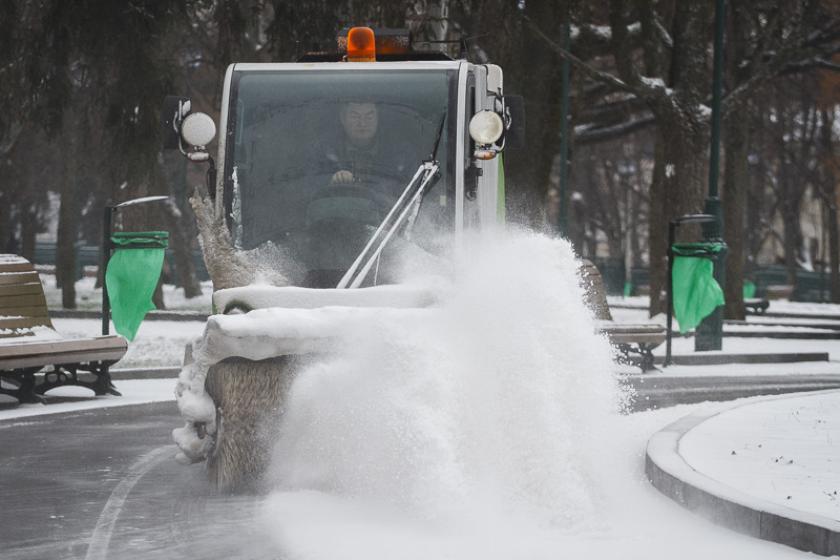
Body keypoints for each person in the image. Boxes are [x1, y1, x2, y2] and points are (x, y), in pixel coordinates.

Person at [324, 101, 411, 190]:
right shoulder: (323, 151)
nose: (363, 124)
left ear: (378, 118)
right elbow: (310, 184)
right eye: (355, 116)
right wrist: (331, 181)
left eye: (369, 117)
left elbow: (413, 191)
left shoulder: (400, 155)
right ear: (343, 118)